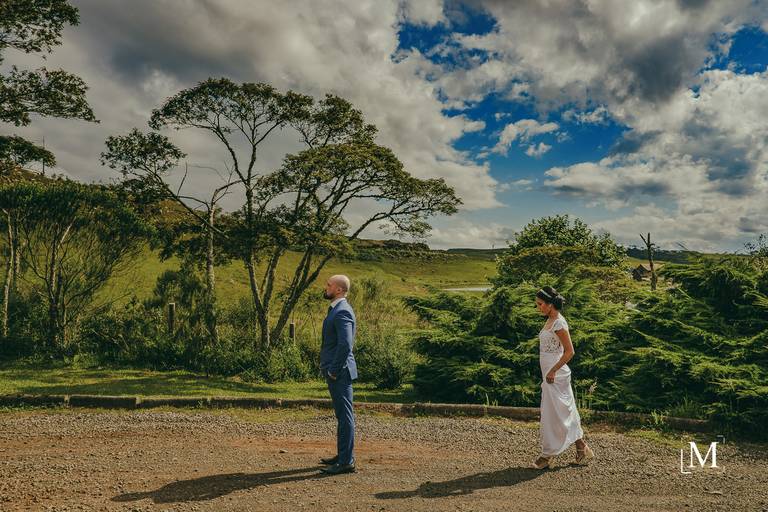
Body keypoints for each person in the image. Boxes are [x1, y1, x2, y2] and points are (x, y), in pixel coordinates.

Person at [532, 286, 594, 469]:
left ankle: (547, 455)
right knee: (563, 413)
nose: (538, 308)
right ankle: (582, 448)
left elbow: (569, 352)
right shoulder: (550, 320)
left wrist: (552, 371)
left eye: (540, 304)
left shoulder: (559, 323)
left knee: (554, 415)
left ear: (550, 305)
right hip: (549, 373)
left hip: (555, 375)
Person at [318, 274, 358, 475]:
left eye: (329, 285)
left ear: (339, 290)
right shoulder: (337, 309)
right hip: (337, 371)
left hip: (339, 373)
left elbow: (345, 344)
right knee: (341, 415)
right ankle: (342, 455)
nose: (326, 287)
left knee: (345, 416)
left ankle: (346, 462)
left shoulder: (342, 312)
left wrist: (333, 370)